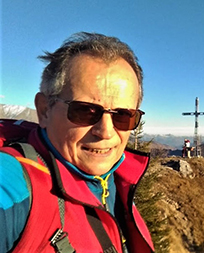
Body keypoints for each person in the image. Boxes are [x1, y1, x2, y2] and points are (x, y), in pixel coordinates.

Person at [0, 32, 154, 252]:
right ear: (44, 110)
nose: (106, 132)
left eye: (123, 116)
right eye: (85, 111)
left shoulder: (116, 181)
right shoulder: (15, 185)